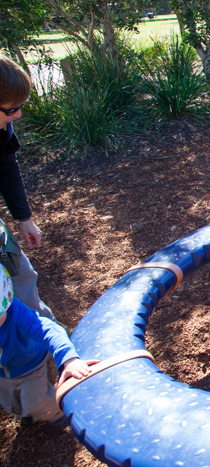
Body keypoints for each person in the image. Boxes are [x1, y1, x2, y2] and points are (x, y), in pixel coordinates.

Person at [0, 265, 94, 429]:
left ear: (6, 301)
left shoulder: (18, 315)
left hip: (28, 367)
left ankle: (56, 412)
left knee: (39, 402)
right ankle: (26, 411)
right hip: (3, 374)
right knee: (10, 403)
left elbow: (49, 331)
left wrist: (69, 359)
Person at [0, 55, 55, 320]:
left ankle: (49, 336)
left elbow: (7, 169)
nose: (18, 115)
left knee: (22, 274)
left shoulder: (2, 129)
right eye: (10, 110)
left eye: (20, 106)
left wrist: (24, 218)